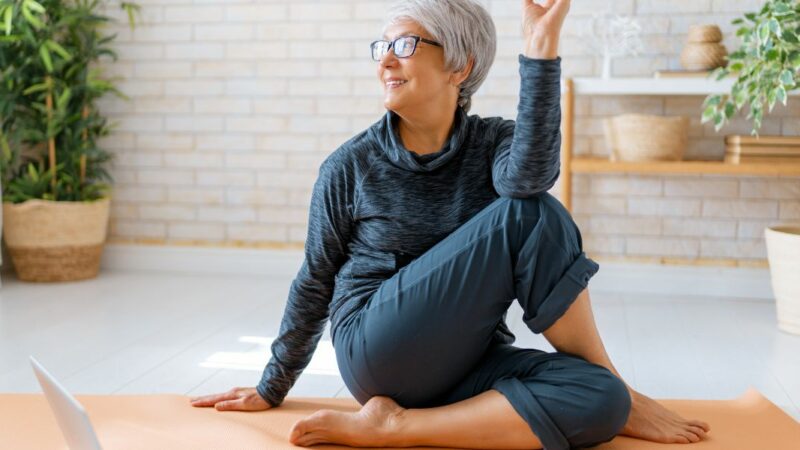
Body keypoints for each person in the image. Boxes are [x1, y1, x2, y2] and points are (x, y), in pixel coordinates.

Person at [190, 1, 712, 448]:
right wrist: (272, 384)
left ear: (459, 66)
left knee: (601, 401)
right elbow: (315, 278)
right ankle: (621, 387)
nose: (386, 60)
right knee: (529, 213)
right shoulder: (349, 166)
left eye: (407, 45)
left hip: (466, 359)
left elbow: (530, 176)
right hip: (377, 350)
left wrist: (540, 47)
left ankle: (399, 427)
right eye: (382, 47)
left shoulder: (492, 143)